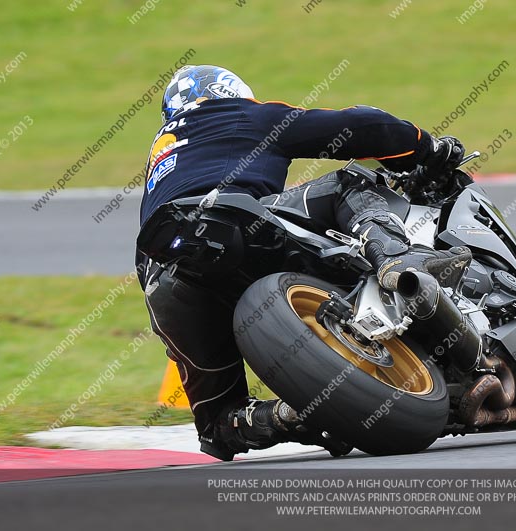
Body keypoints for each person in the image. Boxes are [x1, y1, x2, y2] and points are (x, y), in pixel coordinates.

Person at [136, 65, 470, 461]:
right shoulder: (238, 114)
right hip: (238, 223)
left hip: (163, 280)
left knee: (218, 427)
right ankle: (399, 260)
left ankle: (285, 416)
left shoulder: (161, 156)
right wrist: (426, 150)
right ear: (229, 91)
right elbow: (362, 126)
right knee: (347, 183)